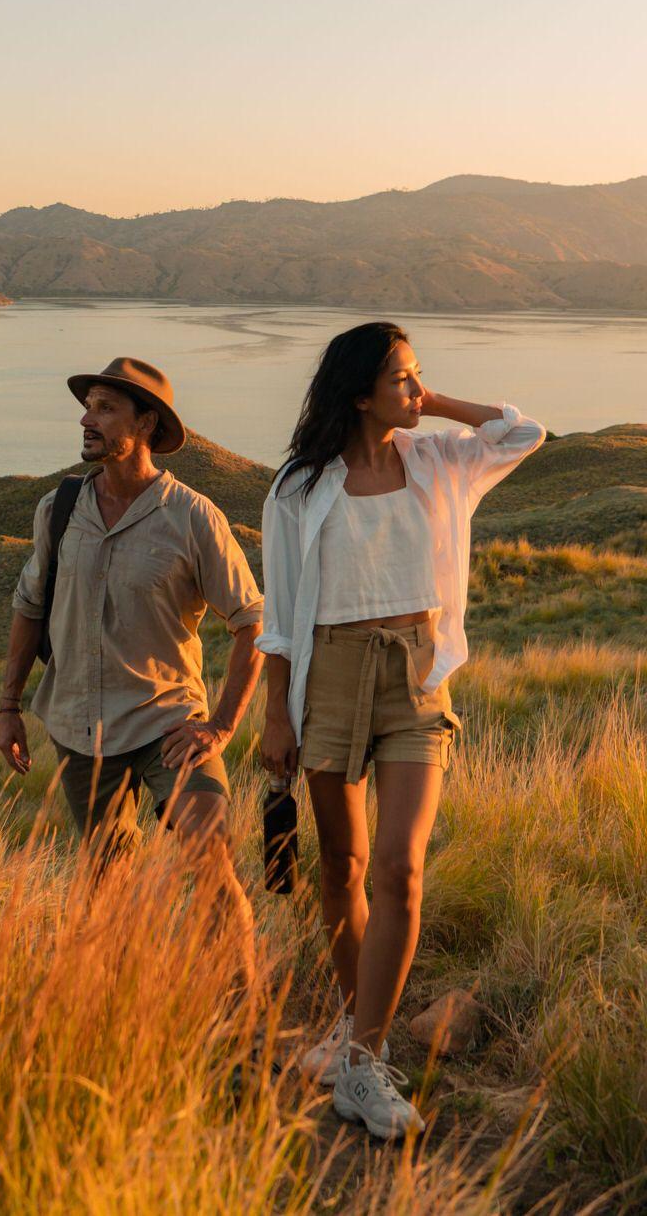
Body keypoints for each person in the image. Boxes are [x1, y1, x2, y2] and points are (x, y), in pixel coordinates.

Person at [257, 322, 545, 1139]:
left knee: (400, 870)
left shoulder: (439, 459)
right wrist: (275, 713)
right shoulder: (298, 488)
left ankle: (363, 1062)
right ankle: (356, 1032)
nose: (417, 391)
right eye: (401, 380)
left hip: (416, 674)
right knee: (341, 865)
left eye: (419, 377)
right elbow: (279, 620)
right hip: (331, 676)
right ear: (357, 392)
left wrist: (430, 401)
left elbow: (522, 429)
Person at [0, 357, 265, 979]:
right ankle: (121, 1010)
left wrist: (221, 726)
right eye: (87, 407)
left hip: (170, 726)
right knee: (104, 878)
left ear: (146, 424)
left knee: (209, 855)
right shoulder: (58, 510)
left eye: (105, 409)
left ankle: (247, 1017)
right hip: (80, 729)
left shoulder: (193, 516)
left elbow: (252, 624)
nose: (87, 420)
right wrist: (8, 707)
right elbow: (29, 607)